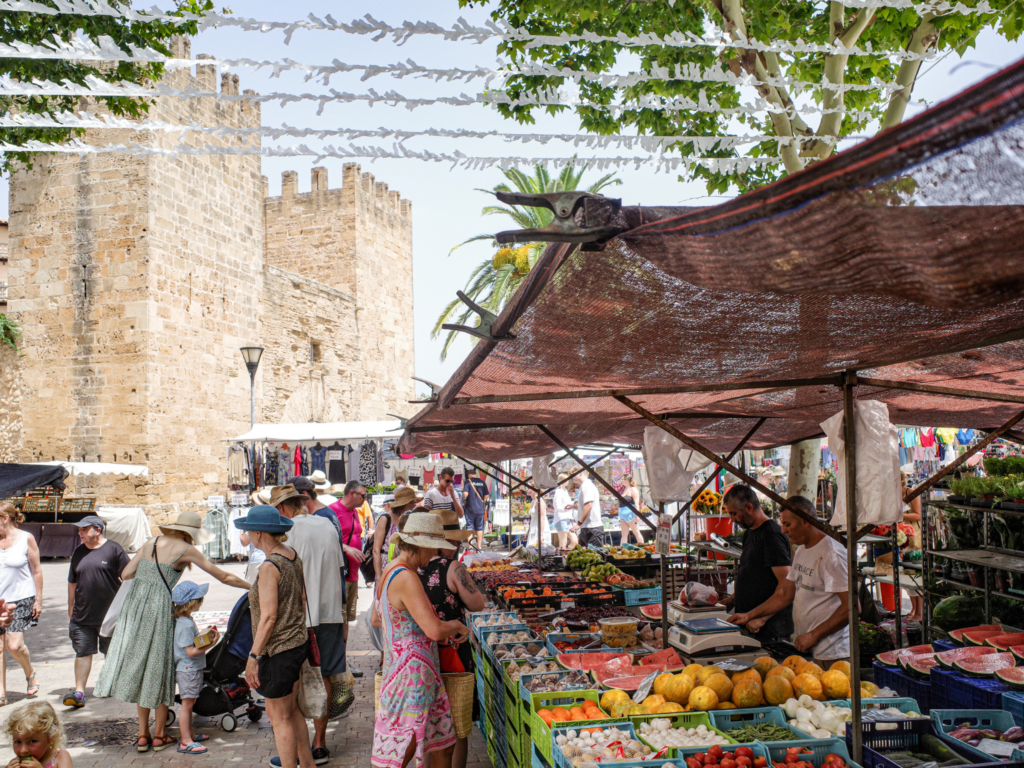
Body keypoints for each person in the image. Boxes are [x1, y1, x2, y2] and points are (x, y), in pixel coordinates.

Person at [95, 510, 250, 753]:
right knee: (159, 670)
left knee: (142, 669)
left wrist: (148, 579)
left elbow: (125, 574)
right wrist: (253, 585)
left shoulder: (150, 542)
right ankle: (159, 735)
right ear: (191, 533)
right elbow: (224, 576)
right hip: (159, 611)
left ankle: (143, 734)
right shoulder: (186, 549)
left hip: (135, 611)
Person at [370, 513, 469, 768]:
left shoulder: (391, 569)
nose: (435, 553)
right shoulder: (406, 576)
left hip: (413, 670)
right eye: (434, 547)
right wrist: (456, 625)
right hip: (412, 675)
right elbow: (434, 630)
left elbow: (377, 618)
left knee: (443, 743)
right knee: (405, 744)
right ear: (422, 545)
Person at [271, 484, 346, 766]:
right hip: (328, 612)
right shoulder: (326, 524)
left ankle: (297, 750)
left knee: (293, 681)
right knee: (325, 675)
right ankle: (319, 743)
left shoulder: (287, 532)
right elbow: (337, 569)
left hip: (298, 616)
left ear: (281, 509)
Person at [235, 506, 314, 768]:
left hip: (279, 649)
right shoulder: (291, 555)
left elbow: (268, 617)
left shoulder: (270, 566)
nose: (247, 534)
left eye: (249, 530)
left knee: (278, 716)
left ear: (258, 532)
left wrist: (253, 657)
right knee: (291, 711)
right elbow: (301, 599)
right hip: (295, 643)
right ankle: (309, 765)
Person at [417, 509, 485, 768]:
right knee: (458, 721)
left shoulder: (411, 568)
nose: (457, 546)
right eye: (454, 540)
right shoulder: (453, 568)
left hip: (424, 654)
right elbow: (477, 604)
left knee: (428, 721)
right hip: (455, 653)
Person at [64, 515, 130, 709]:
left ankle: (113, 684)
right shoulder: (78, 552)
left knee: (111, 652)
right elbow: (72, 581)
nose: (80, 533)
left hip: (110, 616)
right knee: (83, 652)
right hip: (83, 614)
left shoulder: (114, 549)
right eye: (79, 530)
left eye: (84, 529)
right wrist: (70, 605)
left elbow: (128, 578)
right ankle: (79, 692)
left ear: (98, 530)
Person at [780, 496, 851, 666]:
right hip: (810, 650)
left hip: (834, 654)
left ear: (805, 522)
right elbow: (785, 593)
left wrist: (814, 635)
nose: (783, 530)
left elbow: (851, 606)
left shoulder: (831, 554)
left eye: (787, 524)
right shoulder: (801, 550)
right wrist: (751, 616)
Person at [722, 485, 795, 643]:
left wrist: (762, 618)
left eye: (734, 513)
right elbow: (752, 575)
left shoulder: (771, 535)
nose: (732, 520)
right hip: (750, 626)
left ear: (748, 507)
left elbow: (786, 584)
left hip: (769, 631)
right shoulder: (749, 533)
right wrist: (731, 600)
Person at [0, 502, 43, 708]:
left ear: (4, 518)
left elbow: (36, 570)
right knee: (0, 647)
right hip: (0, 601)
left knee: (13, 645)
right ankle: (1, 693)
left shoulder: (26, 538)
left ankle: (30, 672)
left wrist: (39, 599)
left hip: (21, 599)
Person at [171, 582, 218, 755]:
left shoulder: (186, 621)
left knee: (190, 703)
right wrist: (211, 644)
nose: (201, 602)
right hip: (188, 669)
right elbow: (190, 651)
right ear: (191, 603)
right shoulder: (185, 625)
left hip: (191, 668)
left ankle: (189, 734)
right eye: (199, 599)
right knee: (187, 704)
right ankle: (185, 741)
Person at [329, 481, 366, 677]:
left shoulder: (354, 512)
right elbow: (326, 539)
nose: (364, 499)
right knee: (338, 619)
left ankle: (342, 661)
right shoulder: (332, 511)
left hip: (352, 575)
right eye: (363, 496)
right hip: (340, 575)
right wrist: (346, 548)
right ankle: (338, 663)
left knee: (346, 620)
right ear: (352, 493)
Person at [4, 701, 73, 768]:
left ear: (50, 736)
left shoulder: (60, 757)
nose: (23, 750)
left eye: (32, 741)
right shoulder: (15, 763)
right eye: (18, 742)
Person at [375, 486, 415, 581]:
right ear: (405, 503)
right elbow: (376, 550)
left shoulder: (408, 518)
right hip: (386, 564)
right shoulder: (385, 518)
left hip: (401, 564)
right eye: (412, 502)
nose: (414, 505)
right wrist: (379, 576)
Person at [241, 489, 272, 584]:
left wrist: (241, 530)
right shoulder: (273, 517)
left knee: (253, 591)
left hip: (257, 558)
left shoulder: (253, 518)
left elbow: (244, 541)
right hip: (271, 557)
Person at [571, 474, 604, 548]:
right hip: (587, 527)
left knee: (594, 557)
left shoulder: (586, 486)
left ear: (580, 473)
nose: (571, 476)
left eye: (573, 474)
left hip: (592, 528)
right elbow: (586, 506)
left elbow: (588, 505)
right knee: (584, 556)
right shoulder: (584, 486)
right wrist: (573, 507)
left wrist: (578, 523)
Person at [461, 467, 489, 550]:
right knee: (479, 527)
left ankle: (470, 547)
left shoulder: (467, 482)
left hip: (470, 509)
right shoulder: (483, 482)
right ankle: (479, 546)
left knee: (469, 527)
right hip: (480, 509)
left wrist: (463, 489)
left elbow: (465, 495)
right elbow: (486, 496)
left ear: (469, 475)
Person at [551, 474, 578, 549]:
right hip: (561, 518)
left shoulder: (565, 491)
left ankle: (567, 555)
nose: (568, 482)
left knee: (575, 541)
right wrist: (568, 507)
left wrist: (572, 504)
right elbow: (557, 507)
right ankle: (562, 557)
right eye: (567, 480)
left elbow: (565, 504)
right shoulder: (559, 492)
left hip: (568, 518)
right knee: (563, 543)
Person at [618, 475, 645, 545]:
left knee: (636, 532)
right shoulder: (626, 488)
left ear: (627, 480)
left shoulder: (633, 489)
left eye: (622, 479)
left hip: (630, 513)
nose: (621, 481)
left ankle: (642, 546)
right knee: (624, 533)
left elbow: (636, 503)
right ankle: (622, 549)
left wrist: (637, 515)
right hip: (622, 514)